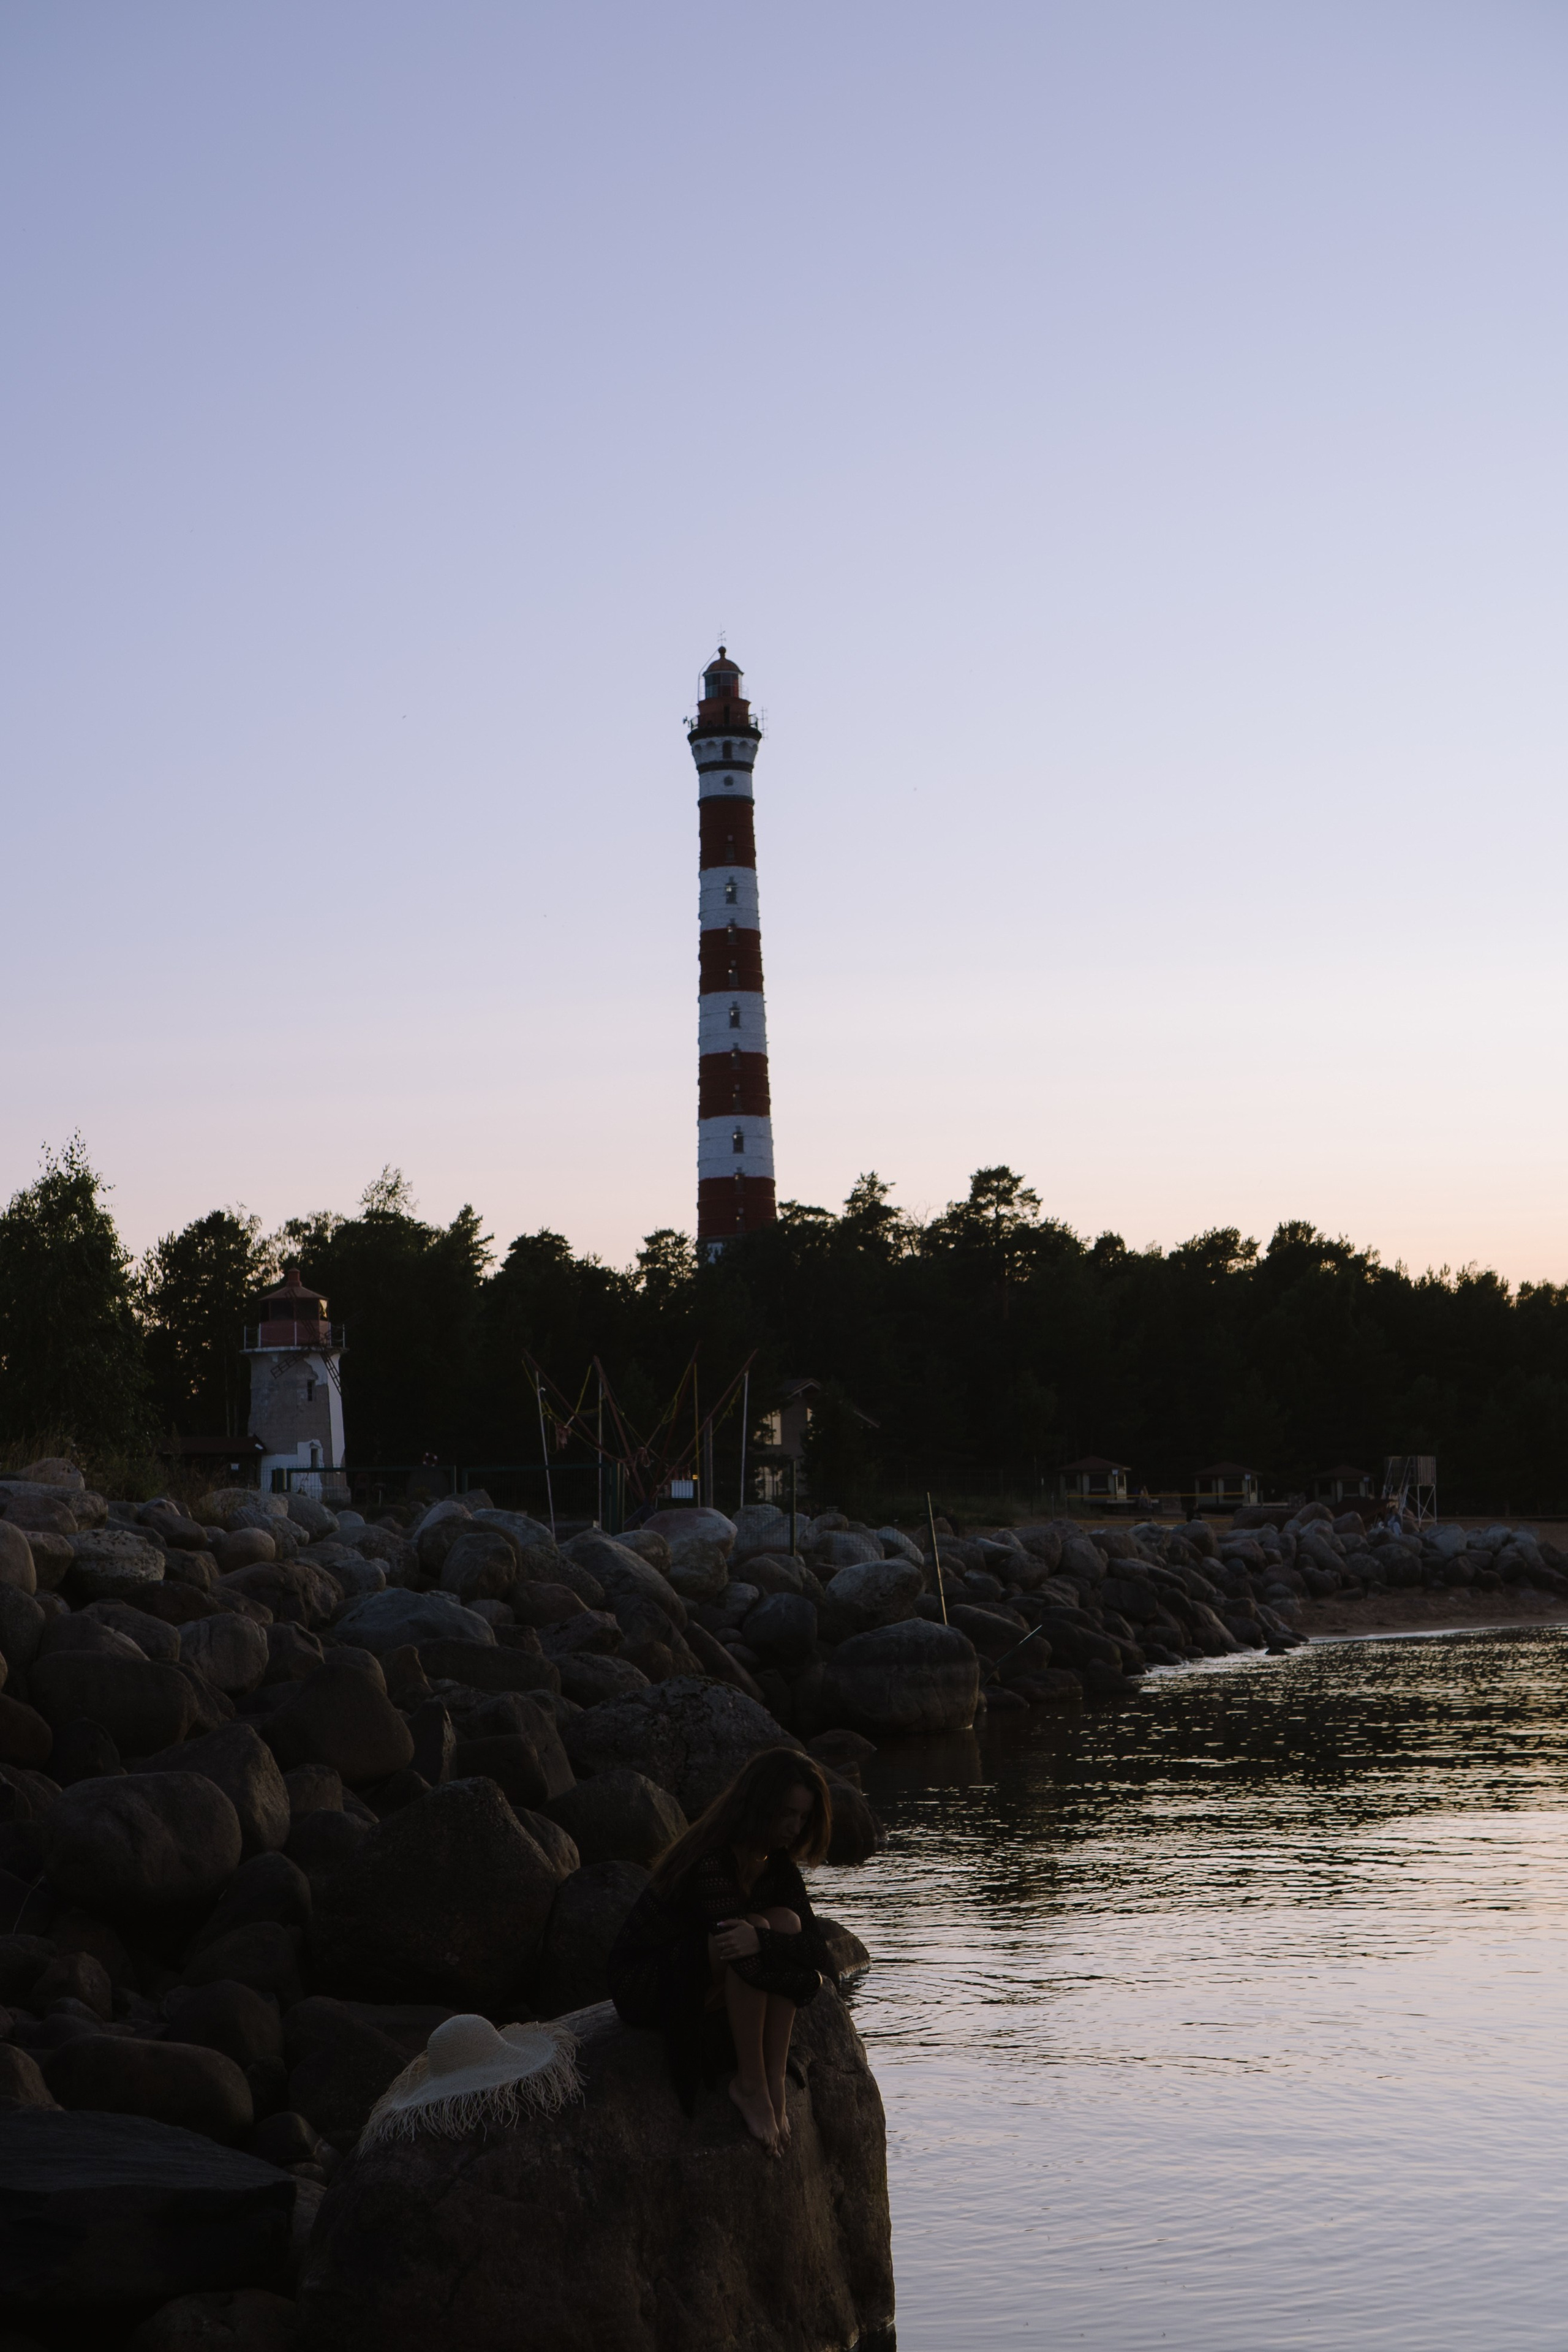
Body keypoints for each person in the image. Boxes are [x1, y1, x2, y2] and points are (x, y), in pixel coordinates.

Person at [605, 1748, 837, 2155]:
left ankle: (772, 2079)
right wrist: (795, 1970)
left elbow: (820, 1957)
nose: (794, 1828)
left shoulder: (775, 1864)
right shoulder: (712, 1858)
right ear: (759, 1805)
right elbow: (748, 1961)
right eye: (786, 1814)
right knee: (754, 1931)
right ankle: (749, 2086)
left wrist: (773, 1948)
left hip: (707, 1973)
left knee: (783, 1923)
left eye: (802, 1818)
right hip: (649, 1981)